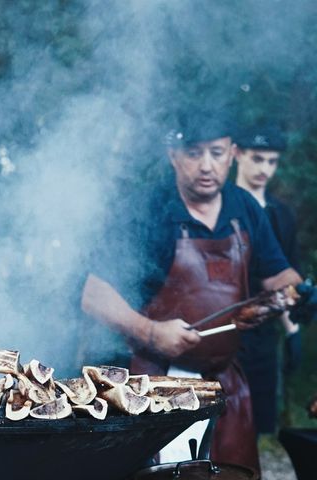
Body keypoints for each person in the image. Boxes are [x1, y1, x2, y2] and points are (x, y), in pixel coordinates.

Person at [80, 111, 303, 475]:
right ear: (174, 156)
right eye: (194, 153)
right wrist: (151, 332)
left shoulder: (243, 206)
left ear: (231, 154)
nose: (206, 166)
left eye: (216, 153)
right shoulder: (148, 208)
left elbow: (278, 274)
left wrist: (297, 291)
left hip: (225, 385)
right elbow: (93, 293)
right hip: (152, 385)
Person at [234, 124, 302, 435]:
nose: (265, 169)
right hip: (222, 331)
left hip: (263, 336)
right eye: (257, 159)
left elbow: (286, 278)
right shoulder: (220, 205)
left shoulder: (281, 215)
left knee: (257, 426)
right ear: (238, 155)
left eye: (272, 161)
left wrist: (292, 331)